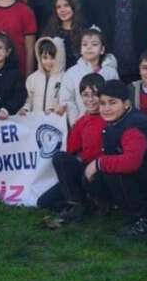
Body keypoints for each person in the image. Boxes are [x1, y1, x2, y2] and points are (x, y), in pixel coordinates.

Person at [77, 79, 147, 236]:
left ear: (126, 104)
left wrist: (98, 163)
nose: (107, 108)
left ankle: (145, 216)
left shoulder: (133, 125)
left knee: (114, 171)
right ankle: (112, 207)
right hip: (144, 169)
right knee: (95, 175)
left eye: (113, 103)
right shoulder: (116, 120)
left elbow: (131, 162)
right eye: (103, 103)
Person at [46, 73, 107, 226]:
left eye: (95, 94)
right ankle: (80, 203)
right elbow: (72, 152)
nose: (90, 99)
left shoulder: (109, 117)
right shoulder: (82, 121)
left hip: (100, 173)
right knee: (44, 201)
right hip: (83, 170)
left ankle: (81, 205)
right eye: (85, 95)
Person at [60, 27, 119, 124]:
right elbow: (67, 100)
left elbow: (116, 97)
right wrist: (76, 121)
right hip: (81, 123)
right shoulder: (71, 73)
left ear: (102, 49)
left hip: (107, 123)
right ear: (80, 49)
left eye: (94, 44)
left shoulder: (110, 72)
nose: (89, 47)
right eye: (85, 44)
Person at [40, 0, 85, 69]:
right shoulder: (50, 31)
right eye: (58, 7)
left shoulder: (84, 30)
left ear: (74, 6)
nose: (62, 10)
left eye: (66, 5)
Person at [24, 37, 67, 115]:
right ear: (39, 57)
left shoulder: (65, 78)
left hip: (56, 122)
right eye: (45, 58)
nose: (48, 62)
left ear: (60, 57)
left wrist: (56, 109)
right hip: (36, 122)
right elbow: (29, 100)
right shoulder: (32, 78)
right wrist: (25, 109)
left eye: (53, 58)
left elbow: (66, 101)